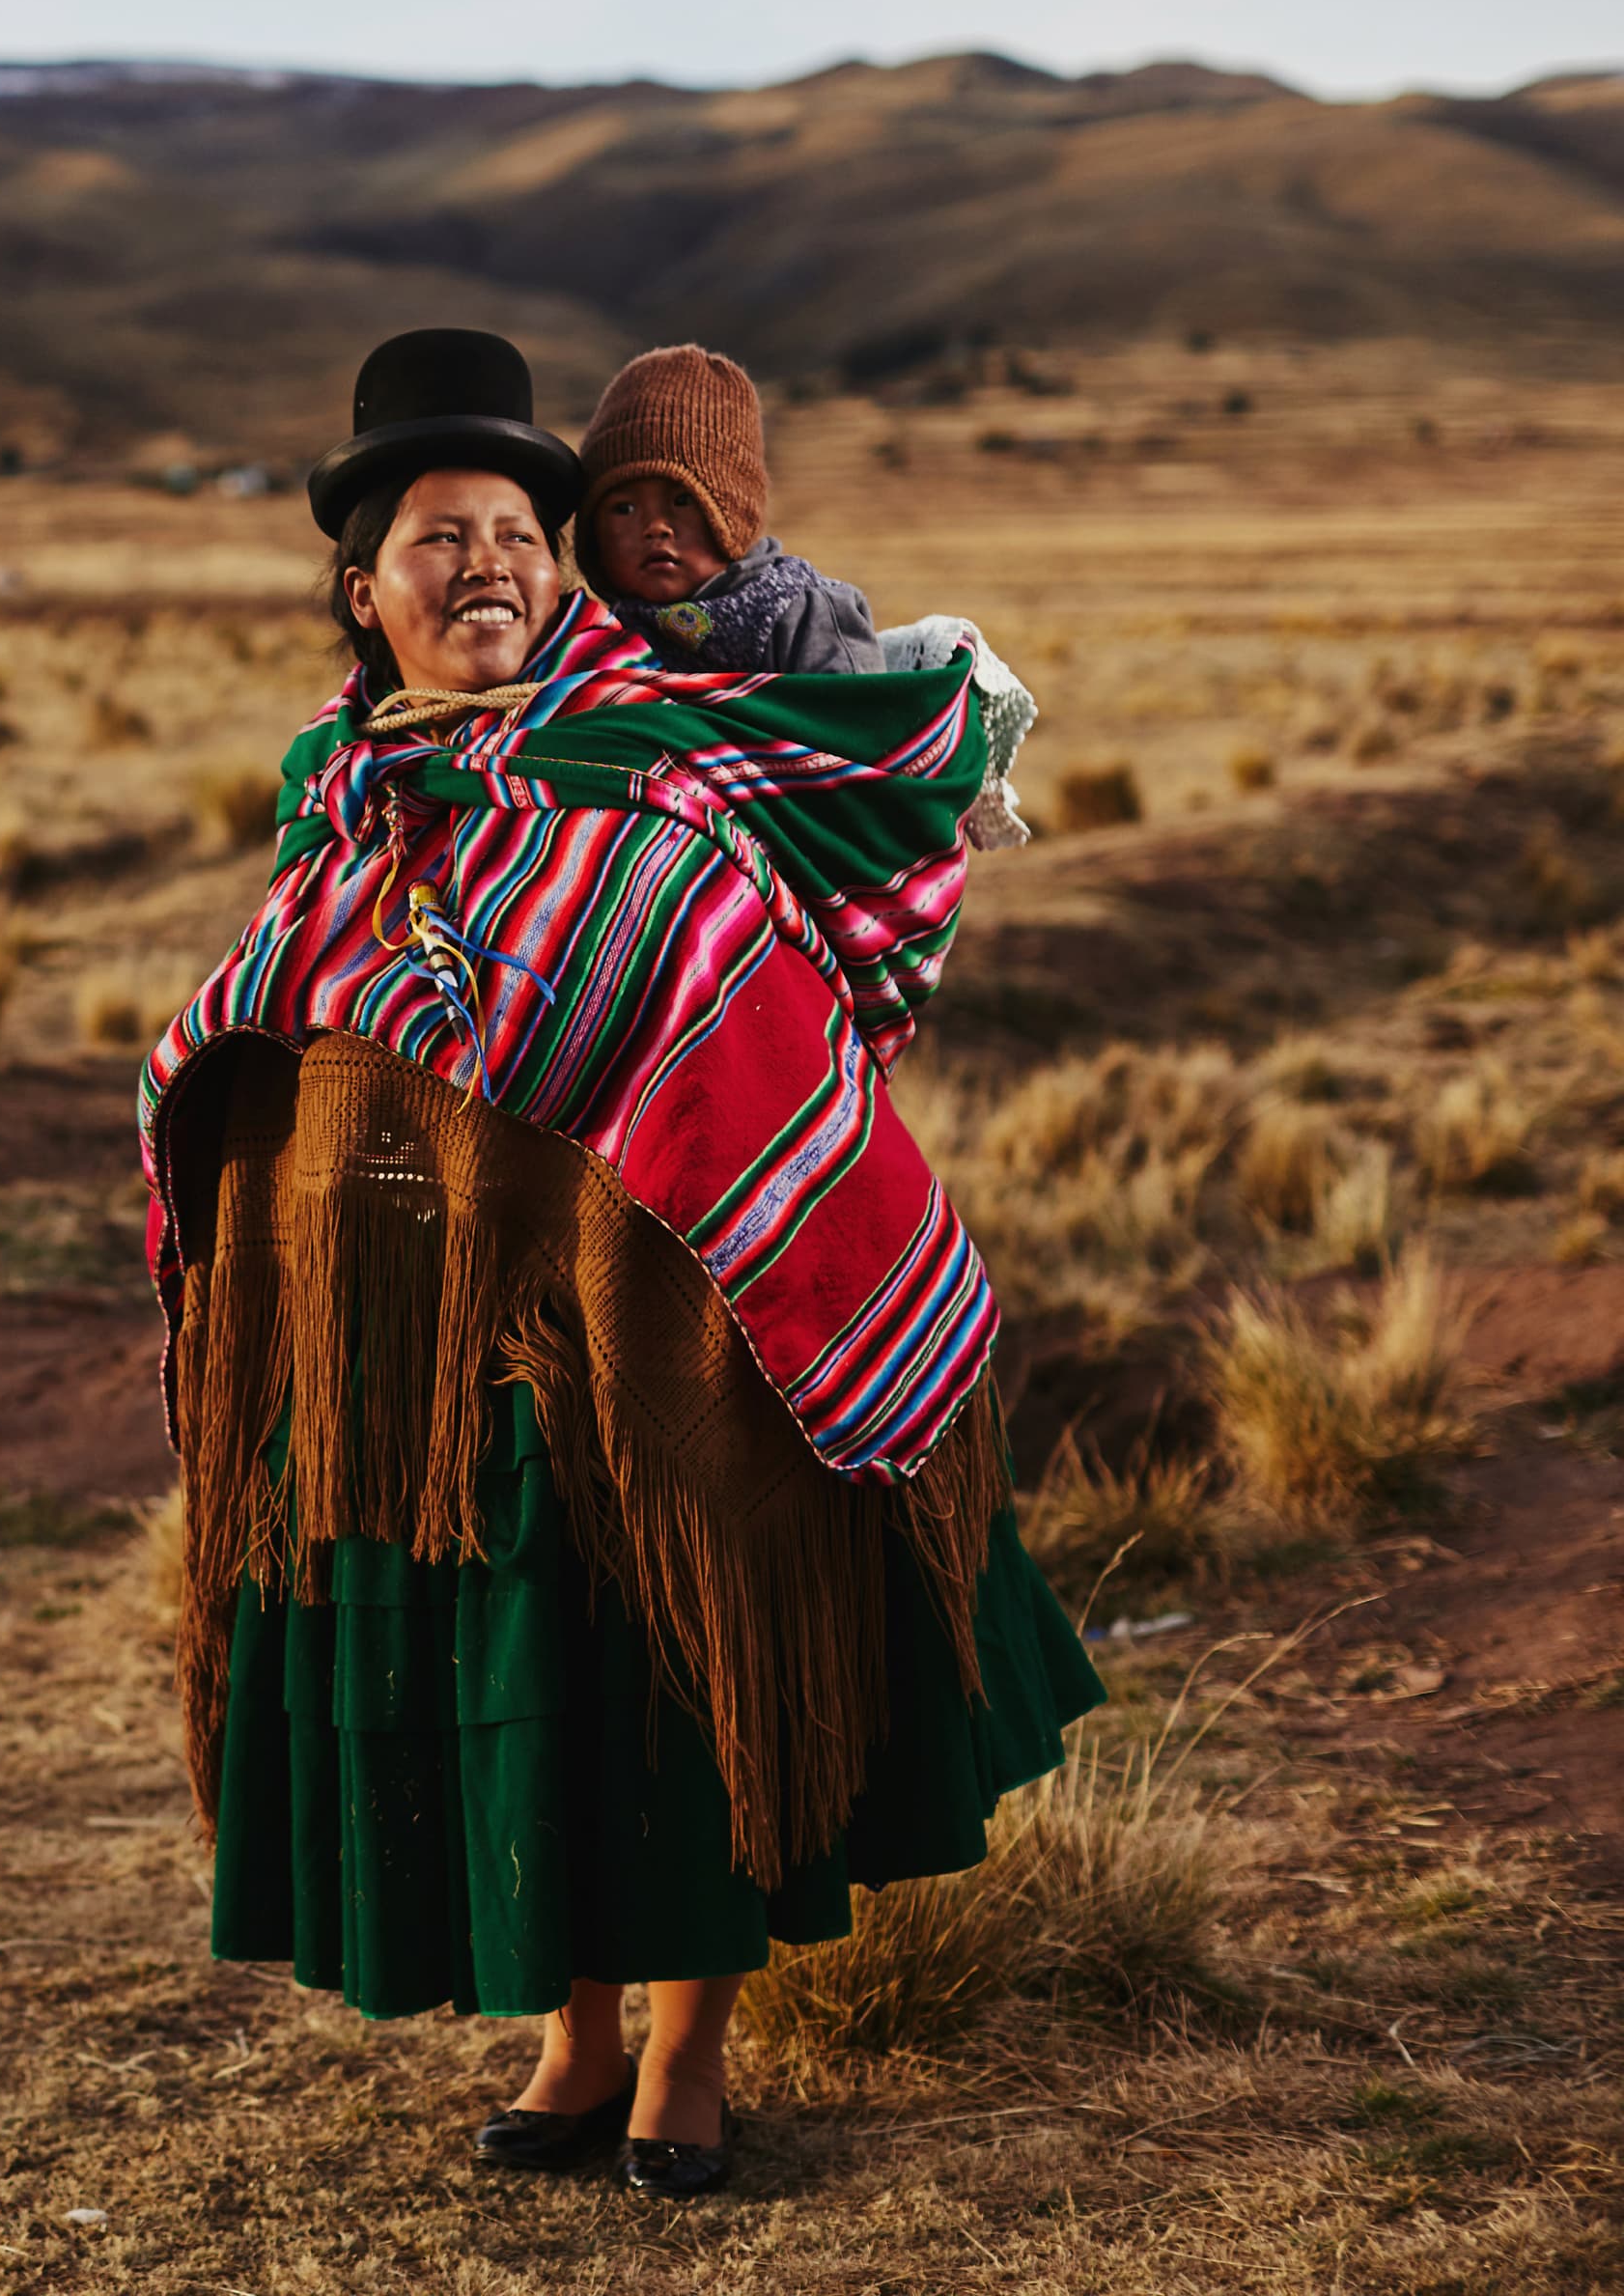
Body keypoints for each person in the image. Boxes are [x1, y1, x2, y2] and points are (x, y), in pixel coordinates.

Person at [141, 328, 1097, 2199]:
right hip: (425, 1347)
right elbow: (292, 1011)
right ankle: (567, 2033)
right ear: (367, 586)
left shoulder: (654, 741)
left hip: (656, 1316)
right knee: (523, 1675)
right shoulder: (340, 787)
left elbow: (780, 954)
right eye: (440, 534)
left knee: (661, 1656)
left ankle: (683, 2048)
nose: (487, 559)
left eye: (516, 526)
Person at [576, 342, 882, 674]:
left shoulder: (799, 610)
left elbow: (856, 717)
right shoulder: (604, 635)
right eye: (624, 509)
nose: (656, 527)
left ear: (735, 510)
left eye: (683, 501)